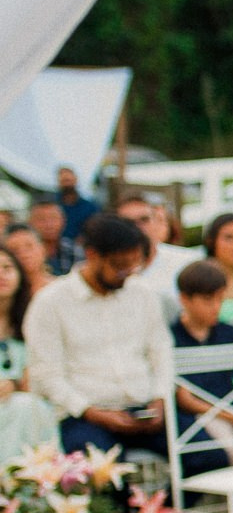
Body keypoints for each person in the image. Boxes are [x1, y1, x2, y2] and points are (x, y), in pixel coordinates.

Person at [24, 214, 170, 455]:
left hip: (145, 406)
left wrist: (160, 398)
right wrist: (91, 412)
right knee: (101, 470)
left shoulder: (142, 293)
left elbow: (161, 351)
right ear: (92, 255)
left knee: (210, 456)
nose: (127, 273)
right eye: (119, 265)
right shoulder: (50, 302)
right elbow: (46, 375)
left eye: (133, 265)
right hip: (84, 415)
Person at [167, 259, 233, 475]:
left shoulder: (230, 332)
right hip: (204, 416)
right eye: (208, 300)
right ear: (184, 299)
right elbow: (185, 399)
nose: (216, 307)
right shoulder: (170, 338)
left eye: (220, 299)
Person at [0, 245, 59, 459]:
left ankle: (36, 472)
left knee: (29, 406)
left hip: (30, 400)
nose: (1, 275)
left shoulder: (35, 316)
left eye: (7, 268)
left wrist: (16, 384)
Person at [118, 193, 201, 325]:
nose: (138, 227)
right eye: (129, 223)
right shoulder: (108, 270)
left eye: (144, 220)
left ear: (157, 222)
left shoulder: (188, 263)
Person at [28, 199, 75, 275]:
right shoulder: (25, 254)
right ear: (30, 222)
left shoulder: (74, 250)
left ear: (63, 221)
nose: (49, 225)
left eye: (53, 218)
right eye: (41, 219)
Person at [4, 223, 53, 297]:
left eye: (29, 246)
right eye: (14, 250)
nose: (23, 254)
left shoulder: (61, 287)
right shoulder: (5, 296)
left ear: (43, 249)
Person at [54, 165, 99, 240]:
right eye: (64, 181)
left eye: (68, 180)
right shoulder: (52, 205)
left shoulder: (90, 207)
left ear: (76, 180)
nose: (67, 185)